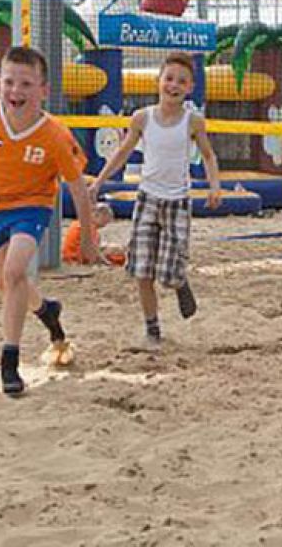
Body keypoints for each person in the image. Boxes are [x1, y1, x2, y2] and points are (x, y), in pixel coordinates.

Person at [0, 46, 103, 397]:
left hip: (33, 207)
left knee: (14, 271)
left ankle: (9, 361)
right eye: (9, 82)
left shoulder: (54, 134)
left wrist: (86, 235)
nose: (15, 91)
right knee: (5, 283)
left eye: (25, 84)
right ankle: (47, 311)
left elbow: (78, 188)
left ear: (43, 91)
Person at [88, 52, 222, 350]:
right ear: (158, 81)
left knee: (169, 273)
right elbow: (122, 152)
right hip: (147, 198)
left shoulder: (193, 121)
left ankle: (180, 283)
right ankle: (152, 329)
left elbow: (209, 156)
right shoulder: (142, 118)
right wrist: (98, 182)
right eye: (169, 78)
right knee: (142, 269)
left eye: (181, 81)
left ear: (190, 88)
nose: (173, 85)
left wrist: (215, 186)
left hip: (177, 202)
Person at [61, 201, 127, 266]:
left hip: (68, 255)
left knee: (113, 248)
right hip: (76, 258)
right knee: (117, 255)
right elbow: (94, 249)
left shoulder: (79, 222)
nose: (105, 225)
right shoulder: (90, 229)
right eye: (105, 221)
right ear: (97, 215)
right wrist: (107, 262)